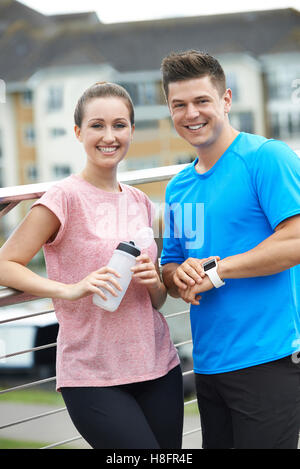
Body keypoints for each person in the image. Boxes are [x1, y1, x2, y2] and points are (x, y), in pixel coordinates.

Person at [0, 82, 183, 449]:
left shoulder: (141, 203)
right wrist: (68, 288)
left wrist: (152, 282)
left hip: (159, 365)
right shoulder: (64, 198)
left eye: (119, 125)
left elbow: (158, 302)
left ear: (131, 130)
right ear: (78, 132)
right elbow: (5, 263)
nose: (109, 136)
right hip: (92, 376)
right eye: (97, 125)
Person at [160, 50, 300, 449]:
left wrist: (217, 273)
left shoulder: (266, 157)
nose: (191, 113)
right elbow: (169, 269)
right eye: (179, 105)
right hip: (209, 363)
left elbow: (296, 240)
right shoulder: (177, 188)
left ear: (226, 100)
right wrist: (179, 275)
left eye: (202, 101)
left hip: (268, 358)